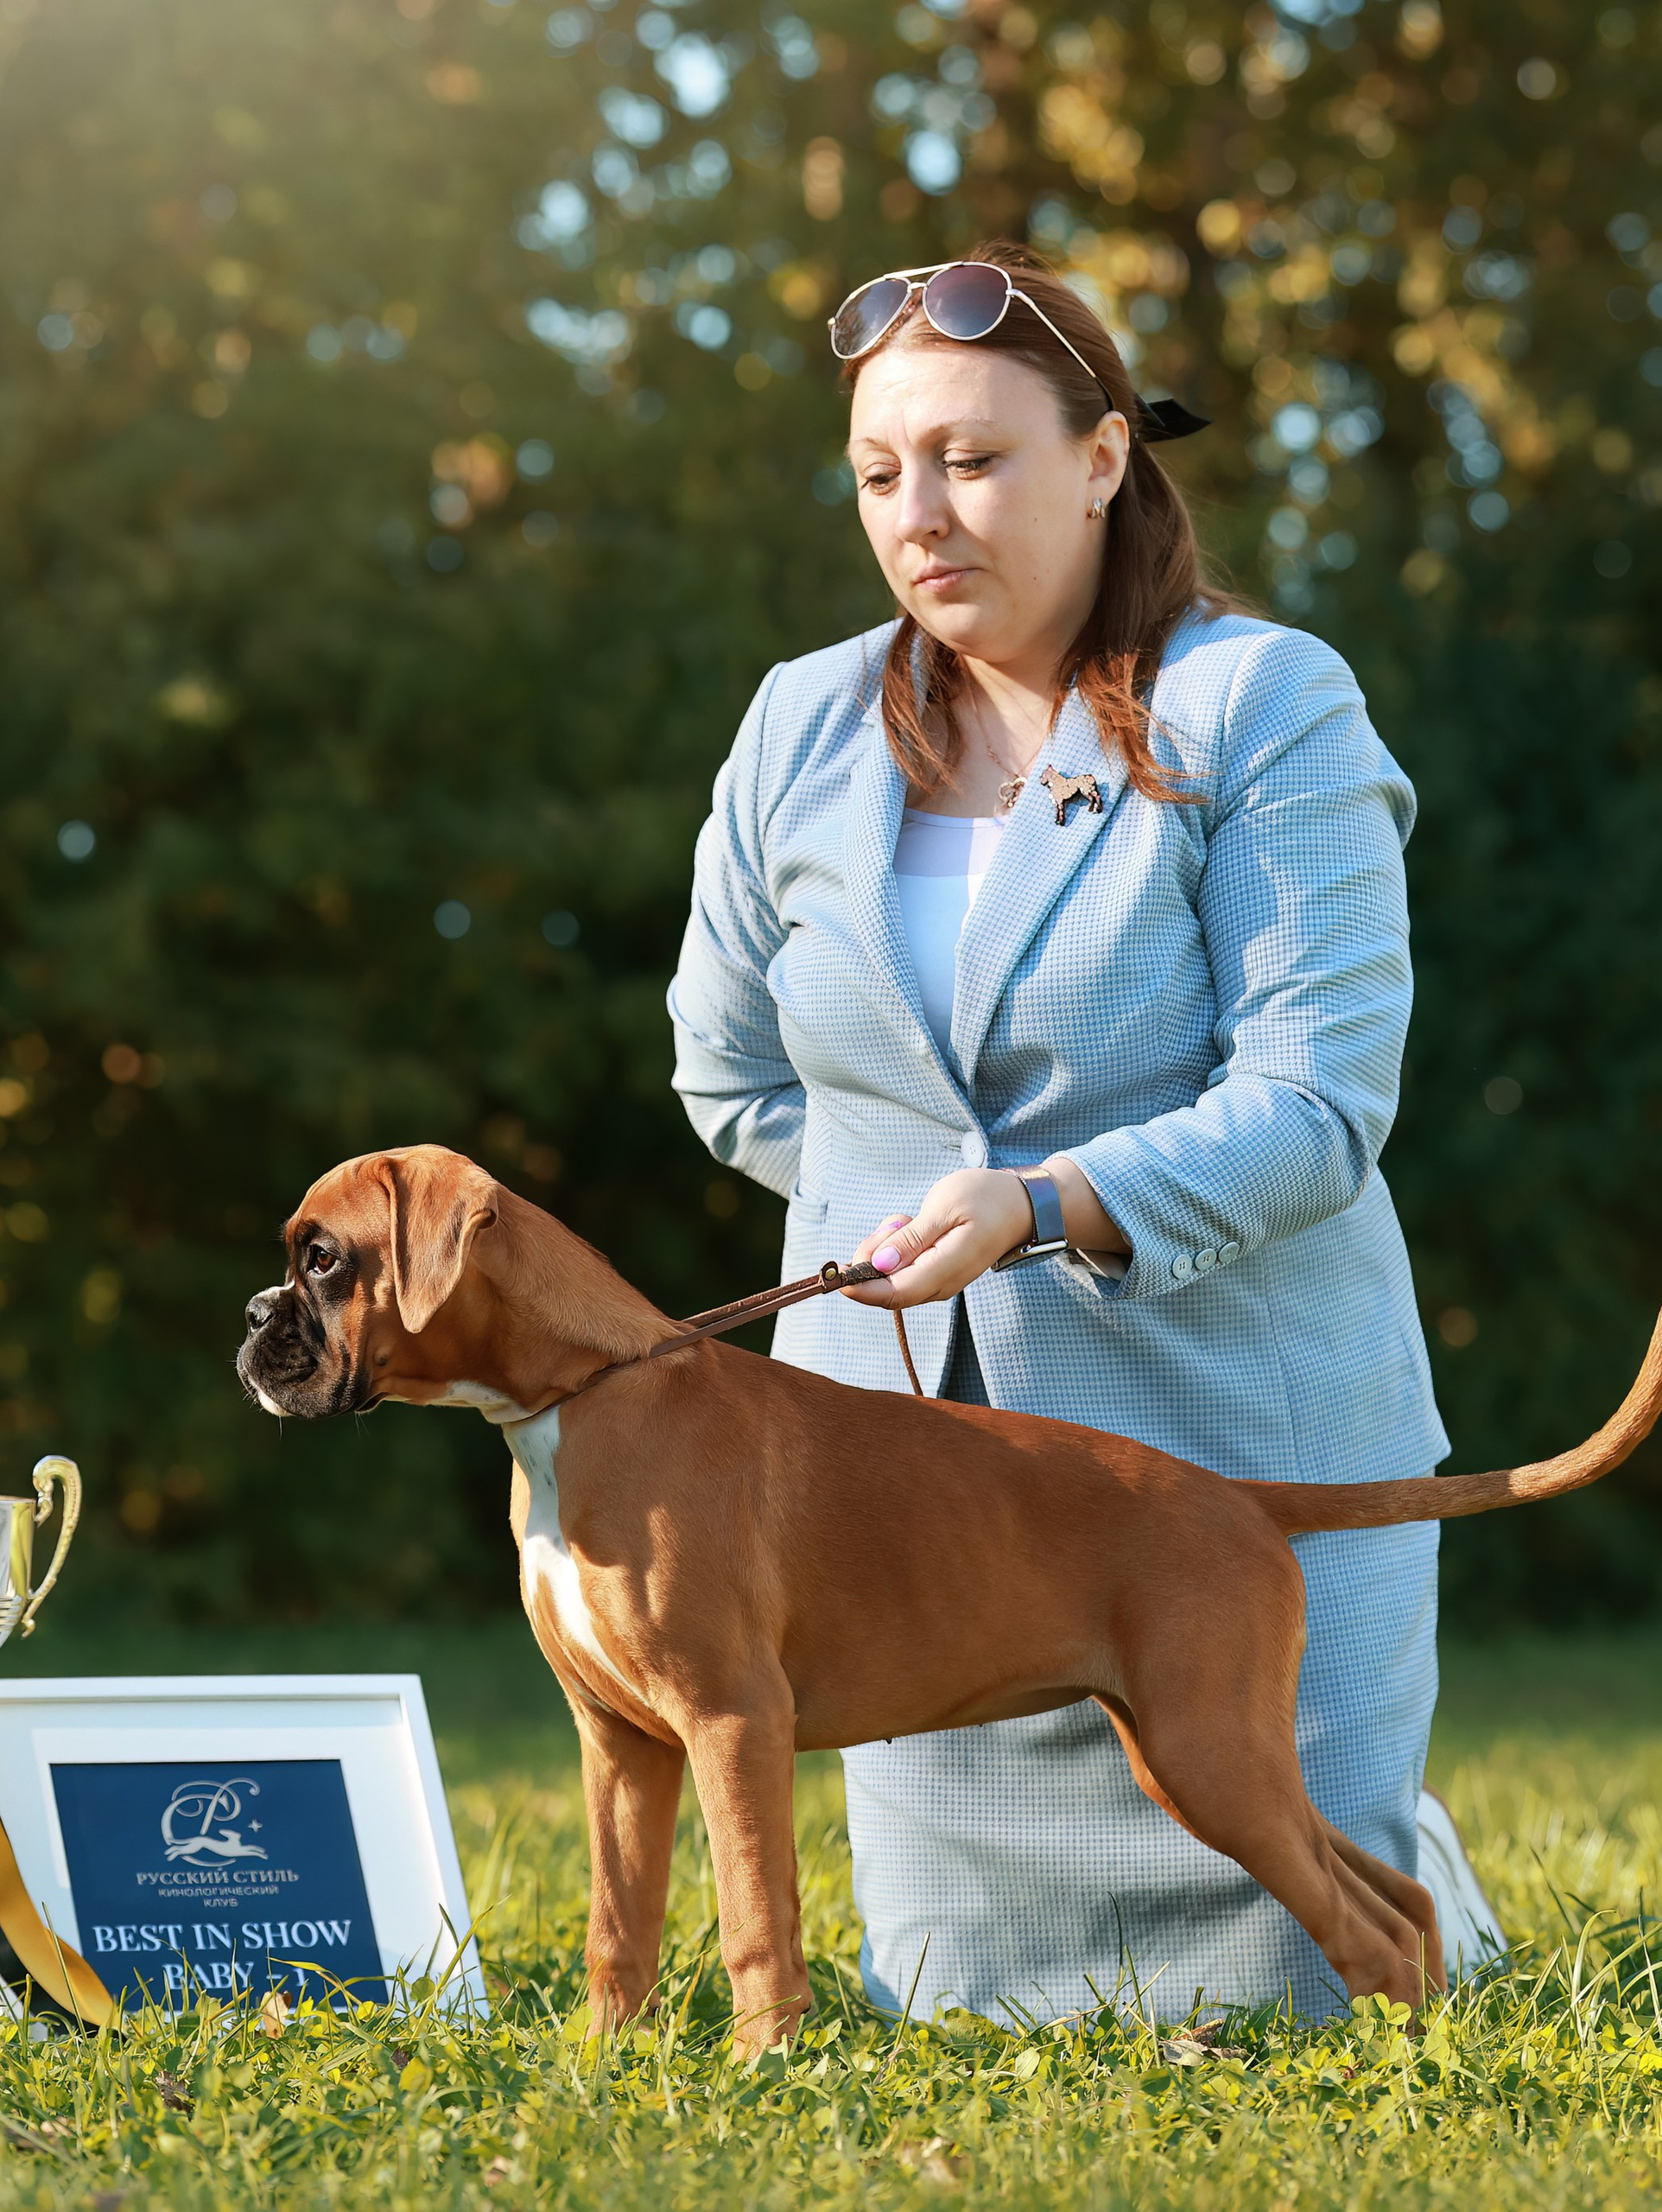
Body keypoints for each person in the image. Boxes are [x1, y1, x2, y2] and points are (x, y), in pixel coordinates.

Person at [666, 243, 1498, 2024]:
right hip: (902, 1492)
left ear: (1105, 456)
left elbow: (1315, 1104)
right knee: (950, 2000)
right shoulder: (792, 721)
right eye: (879, 472)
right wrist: (895, 1227)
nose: (918, 513)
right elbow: (728, 1077)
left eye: (971, 458)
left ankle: (1418, 1897)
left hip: (1227, 1457)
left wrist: (1039, 1205)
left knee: (1289, 1995)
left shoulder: (1264, 700)